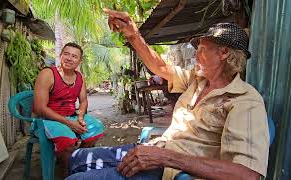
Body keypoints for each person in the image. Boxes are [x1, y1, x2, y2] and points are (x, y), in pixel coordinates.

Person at [66, 9, 269, 180]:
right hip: (156, 150)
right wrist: (133, 35)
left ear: (223, 53)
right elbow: (160, 66)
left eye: (203, 49)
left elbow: (247, 174)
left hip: (171, 171)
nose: (196, 54)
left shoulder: (245, 101)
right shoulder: (196, 80)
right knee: (76, 158)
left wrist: (166, 157)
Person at [33, 42, 104, 176]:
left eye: (74, 56)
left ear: (79, 61)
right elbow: (39, 108)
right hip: (47, 120)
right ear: (60, 56)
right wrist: (68, 123)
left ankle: (74, 159)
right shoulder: (48, 74)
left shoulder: (79, 77)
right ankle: (68, 171)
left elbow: (83, 101)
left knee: (97, 129)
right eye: (66, 54)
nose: (69, 58)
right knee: (68, 139)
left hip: (71, 116)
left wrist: (80, 117)